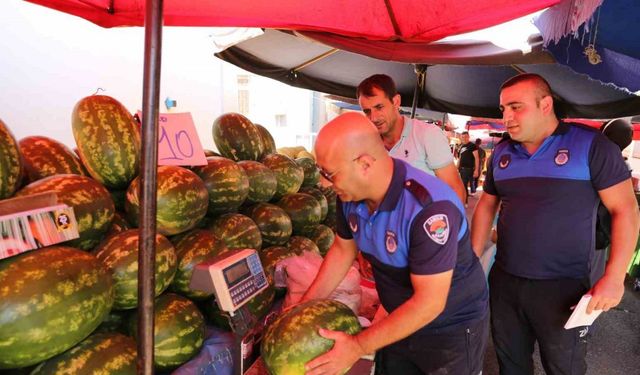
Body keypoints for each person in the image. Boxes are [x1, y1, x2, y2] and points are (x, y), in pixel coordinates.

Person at [471, 73, 640, 375]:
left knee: (564, 367)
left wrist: (614, 278)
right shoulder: (502, 153)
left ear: (545, 104)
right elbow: (486, 204)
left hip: (564, 286)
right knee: (510, 364)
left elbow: (626, 209)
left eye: (515, 107)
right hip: (505, 281)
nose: (506, 117)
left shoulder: (591, 146)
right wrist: (471, 259)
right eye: (503, 109)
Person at [302, 112, 489, 375]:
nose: (324, 183)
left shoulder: (430, 209)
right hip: (397, 317)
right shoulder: (350, 195)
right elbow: (343, 250)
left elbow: (429, 303)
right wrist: (303, 308)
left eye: (329, 173)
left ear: (364, 164)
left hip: (449, 329)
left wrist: (356, 346)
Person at [357, 74, 466, 204]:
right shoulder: (365, 144)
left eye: (379, 107)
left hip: (426, 221)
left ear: (396, 101)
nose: (374, 118)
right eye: (367, 111)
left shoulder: (428, 135)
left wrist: (449, 223)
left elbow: (455, 189)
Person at [455, 131, 479, 205]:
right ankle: (464, 200)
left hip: (468, 169)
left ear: (468, 137)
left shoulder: (472, 146)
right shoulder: (460, 146)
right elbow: (459, 158)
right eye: (463, 137)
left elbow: (477, 158)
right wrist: (456, 168)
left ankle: (465, 202)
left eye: (466, 137)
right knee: (462, 185)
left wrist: (476, 170)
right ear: (461, 138)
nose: (464, 138)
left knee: (463, 185)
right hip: (461, 169)